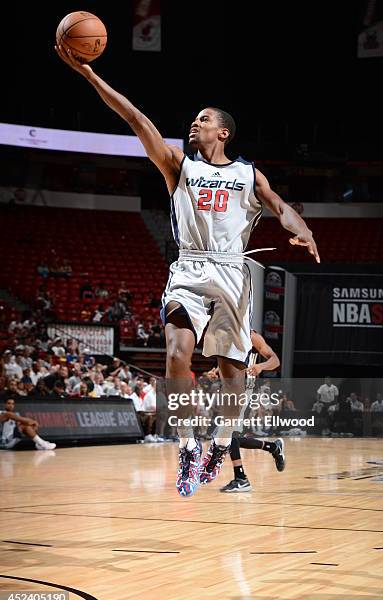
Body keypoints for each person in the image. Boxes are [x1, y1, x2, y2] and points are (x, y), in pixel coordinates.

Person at [56, 46, 320, 497]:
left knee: (232, 373)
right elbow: (138, 120)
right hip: (190, 267)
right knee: (177, 352)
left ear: (223, 131)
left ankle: (219, 446)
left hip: (234, 272)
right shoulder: (180, 167)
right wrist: (88, 74)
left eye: (203, 119)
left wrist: (303, 230)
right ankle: (185, 448)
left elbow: (280, 209)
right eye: (193, 119)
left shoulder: (248, 175)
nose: (193, 124)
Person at [219, 329, 284, 492]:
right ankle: (273, 447)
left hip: (245, 389)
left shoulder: (251, 335)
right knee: (233, 437)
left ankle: (241, 479)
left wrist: (261, 366)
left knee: (229, 433)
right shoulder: (226, 333)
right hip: (232, 387)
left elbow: (275, 360)